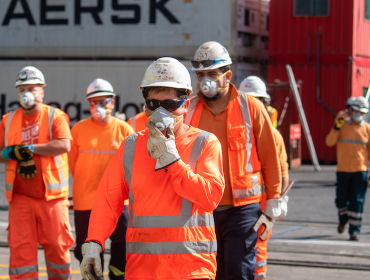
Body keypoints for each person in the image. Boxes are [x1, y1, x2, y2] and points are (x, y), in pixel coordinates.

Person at [80, 57, 225, 280]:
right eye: (153, 104)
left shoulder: (205, 143)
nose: (161, 113)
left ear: (186, 104)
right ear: (145, 105)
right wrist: (94, 242)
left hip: (192, 269)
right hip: (142, 269)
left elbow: (209, 197)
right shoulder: (131, 146)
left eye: (170, 105)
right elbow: (108, 200)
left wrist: (172, 161)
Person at [185, 41, 282, 280]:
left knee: (238, 272)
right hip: (201, 211)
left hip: (243, 210)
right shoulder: (188, 110)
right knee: (208, 273)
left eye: (212, 74)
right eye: (200, 75)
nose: (205, 80)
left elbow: (270, 157)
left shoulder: (252, 108)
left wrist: (273, 200)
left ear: (227, 76)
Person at [0, 66, 75, 280]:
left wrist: (31, 149)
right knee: (21, 251)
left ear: (42, 91)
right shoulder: (8, 120)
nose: (27, 93)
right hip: (20, 198)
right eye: (22, 89)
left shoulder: (55, 116)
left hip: (51, 198)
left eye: (31, 88)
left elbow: (64, 145)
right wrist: (9, 152)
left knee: (57, 246)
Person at [68, 78, 134, 280]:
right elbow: (73, 165)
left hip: (118, 202)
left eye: (103, 101)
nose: (98, 106)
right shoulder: (78, 129)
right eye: (93, 102)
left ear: (112, 102)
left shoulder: (124, 130)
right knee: (86, 249)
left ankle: (117, 277)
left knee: (121, 245)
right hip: (85, 202)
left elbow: (132, 167)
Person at [239, 76, 289, 280]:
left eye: (257, 100)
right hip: (236, 202)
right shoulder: (234, 130)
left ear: (266, 104)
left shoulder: (273, 135)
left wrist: (278, 200)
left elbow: (282, 171)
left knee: (257, 245)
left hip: (261, 202)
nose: (253, 106)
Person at [326, 96, 370, 241]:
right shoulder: (341, 123)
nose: (359, 115)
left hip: (360, 171)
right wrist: (335, 128)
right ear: (350, 110)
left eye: (362, 112)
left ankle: (354, 231)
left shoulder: (367, 129)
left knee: (357, 201)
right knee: (341, 200)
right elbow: (329, 142)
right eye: (357, 111)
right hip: (343, 170)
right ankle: (343, 220)